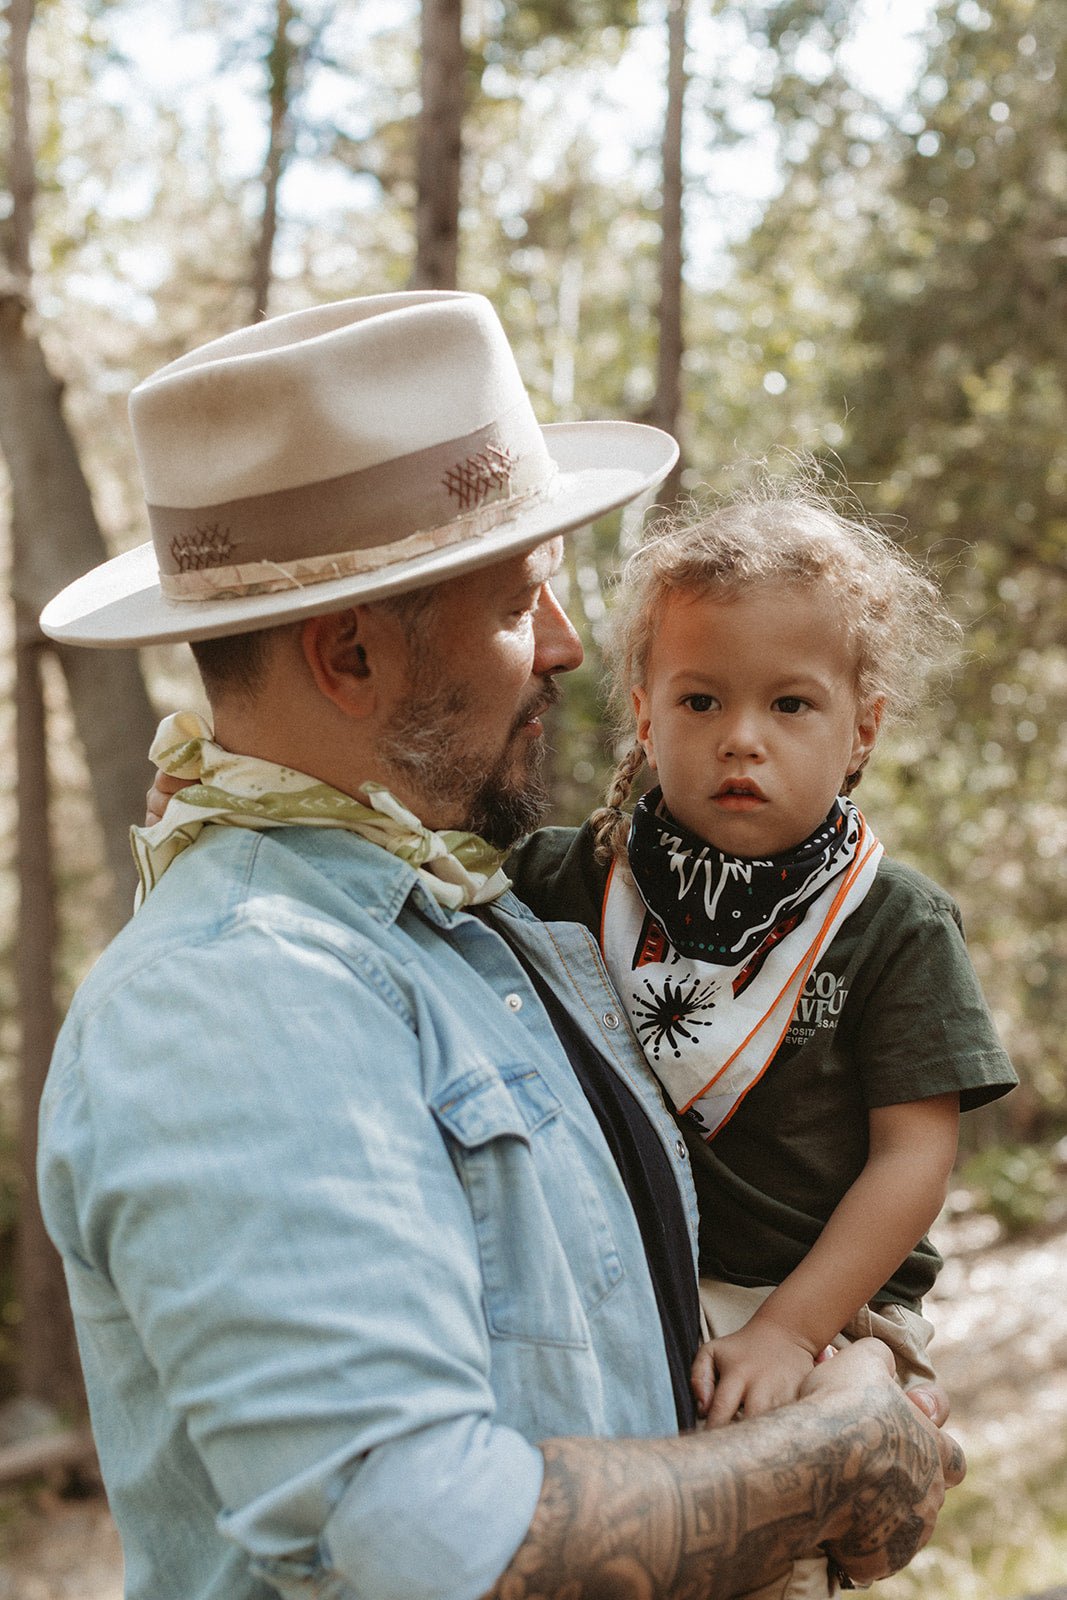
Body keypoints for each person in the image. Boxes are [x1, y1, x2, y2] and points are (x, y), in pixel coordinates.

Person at [38, 291, 963, 1600]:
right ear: (348, 653)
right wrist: (828, 1462)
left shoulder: (480, 929)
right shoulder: (237, 988)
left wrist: (843, 1354)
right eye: (521, 599)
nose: (572, 649)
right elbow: (422, 1538)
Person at [509, 491, 1015, 1597]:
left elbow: (912, 1159)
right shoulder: (565, 875)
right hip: (629, 1305)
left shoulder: (892, 923)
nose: (741, 736)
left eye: (790, 704)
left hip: (817, 1307)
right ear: (641, 714)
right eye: (700, 699)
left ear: (861, 727)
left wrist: (793, 1330)